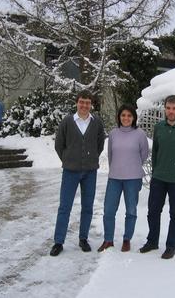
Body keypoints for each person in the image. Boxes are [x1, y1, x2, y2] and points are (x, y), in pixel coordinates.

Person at [139, 95, 175, 259]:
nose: (171, 111)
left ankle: (171, 246)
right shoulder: (159, 127)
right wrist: (154, 172)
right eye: (168, 108)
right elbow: (156, 152)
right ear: (164, 109)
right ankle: (152, 241)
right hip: (159, 178)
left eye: (174, 108)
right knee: (153, 212)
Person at [50, 90, 105, 256]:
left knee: (87, 207)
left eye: (87, 103)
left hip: (90, 172)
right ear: (77, 103)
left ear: (91, 105)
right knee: (64, 207)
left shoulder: (97, 123)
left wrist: (90, 159)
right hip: (70, 171)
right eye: (82, 102)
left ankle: (83, 238)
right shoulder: (67, 121)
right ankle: (58, 242)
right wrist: (68, 159)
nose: (84, 105)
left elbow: (99, 145)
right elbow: (59, 145)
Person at [97, 104, 149, 253]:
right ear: (119, 117)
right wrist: (118, 168)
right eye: (123, 115)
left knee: (131, 210)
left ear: (134, 118)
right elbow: (111, 155)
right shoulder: (113, 133)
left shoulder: (140, 134)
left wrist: (131, 165)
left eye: (129, 116)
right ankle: (108, 240)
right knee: (108, 210)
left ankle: (127, 239)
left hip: (133, 178)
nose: (126, 118)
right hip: (114, 178)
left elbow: (144, 154)